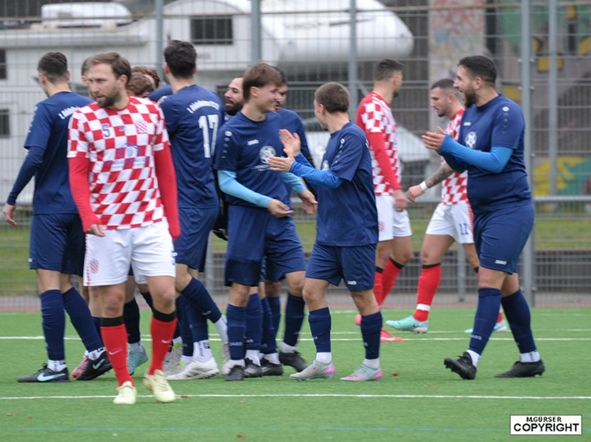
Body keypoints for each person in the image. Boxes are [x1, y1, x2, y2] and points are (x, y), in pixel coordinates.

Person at [68, 52, 181, 404]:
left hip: (150, 221)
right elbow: (77, 173)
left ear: (121, 80)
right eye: (89, 81)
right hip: (106, 227)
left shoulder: (150, 113)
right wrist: (88, 216)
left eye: (100, 80)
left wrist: (173, 219)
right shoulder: (82, 119)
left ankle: (156, 373)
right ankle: (124, 382)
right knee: (113, 301)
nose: (93, 87)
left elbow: (164, 167)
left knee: (165, 294)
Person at [422, 55, 544, 379]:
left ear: (478, 82)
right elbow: (462, 162)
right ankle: (531, 357)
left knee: (488, 282)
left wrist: (451, 146)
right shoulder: (470, 114)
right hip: (483, 212)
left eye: (460, 79)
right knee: (508, 289)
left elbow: (496, 162)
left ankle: (471, 359)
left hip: (510, 210)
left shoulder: (507, 112)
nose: (456, 85)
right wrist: (444, 149)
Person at [3, 52, 111, 383]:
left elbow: (36, 156)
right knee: (66, 284)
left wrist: (11, 197)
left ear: (42, 77)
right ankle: (97, 351)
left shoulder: (47, 109)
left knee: (48, 284)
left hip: (51, 206)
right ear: (69, 74)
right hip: (82, 208)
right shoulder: (89, 108)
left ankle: (55, 365)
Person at [268, 82, 382, 381]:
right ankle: (323, 361)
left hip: (355, 233)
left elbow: (333, 181)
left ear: (320, 108)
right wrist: (297, 157)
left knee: (362, 296)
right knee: (311, 290)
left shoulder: (353, 136)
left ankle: (372, 365)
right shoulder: (335, 139)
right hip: (330, 233)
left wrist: (293, 166)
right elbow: (323, 179)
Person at [215, 62, 316, 381]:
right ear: (255, 92)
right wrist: (264, 201)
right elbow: (226, 182)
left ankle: (286, 348)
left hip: (280, 219)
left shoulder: (277, 123)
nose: (278, 97)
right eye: (274, 91)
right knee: (242, 290)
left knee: (300, 283)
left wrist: (302, 190)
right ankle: (236, 362)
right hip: (247, 219)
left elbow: (280, 166)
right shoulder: (230, 132)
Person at [387, 79, 507, 334]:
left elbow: (457, 162)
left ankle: (496, 318)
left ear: (450, 98)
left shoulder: (467, 121)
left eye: (435, 99)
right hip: (448, 202)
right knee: (429, 255)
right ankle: (420, 317)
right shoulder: (451, 124)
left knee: (477, 259)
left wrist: (422, 186)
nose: (432, 104)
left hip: (464, 201)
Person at [157, 40, 228, 381]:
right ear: (195, 67)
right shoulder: (213, 99)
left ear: (166, 68)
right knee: (188, 278)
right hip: (207, 196)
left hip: (189, 201)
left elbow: (155, 146)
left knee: (176, 277)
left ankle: (224, 328)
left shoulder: (171, 105)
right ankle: (201, 355)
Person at [356, 59, 410, 342]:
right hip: (378, 191)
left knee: (403, 252)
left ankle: (370, 311)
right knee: (381, 252)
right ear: (396, 79)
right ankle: (372, 320)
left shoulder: (382, 107)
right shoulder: (372, 106)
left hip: (389, 193)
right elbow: (377, 148)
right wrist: (396, 188)